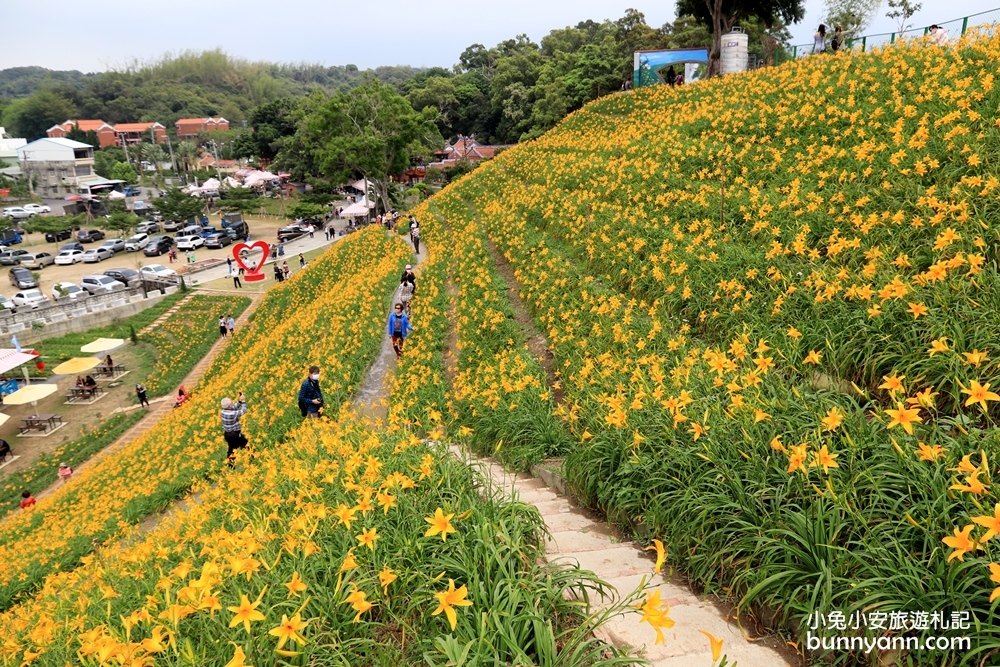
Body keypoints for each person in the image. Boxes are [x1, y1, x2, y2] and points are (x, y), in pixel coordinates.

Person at [221, 393, 249, 464]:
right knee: (245, 444)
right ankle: (252, 457)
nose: (232, 405)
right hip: (234, 435)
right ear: (229, 406)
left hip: (227, 434)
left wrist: (239, 401)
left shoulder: (223, 412)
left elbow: (233, 408)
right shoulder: (232, 414)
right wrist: (243, 402)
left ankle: (229, 464)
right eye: (231, 404)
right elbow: (243, 411)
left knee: (232, 449)